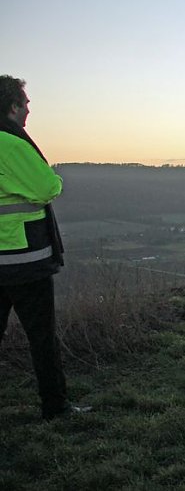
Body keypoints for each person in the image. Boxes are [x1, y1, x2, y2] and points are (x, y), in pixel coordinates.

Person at [0, 75, 89, 420]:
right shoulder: (11, 143)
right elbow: (45, 188)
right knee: (42, 338)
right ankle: (56, 407)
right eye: (26, 104)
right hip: (22, 259)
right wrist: (50, 178)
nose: (28, 111)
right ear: (12, 106)